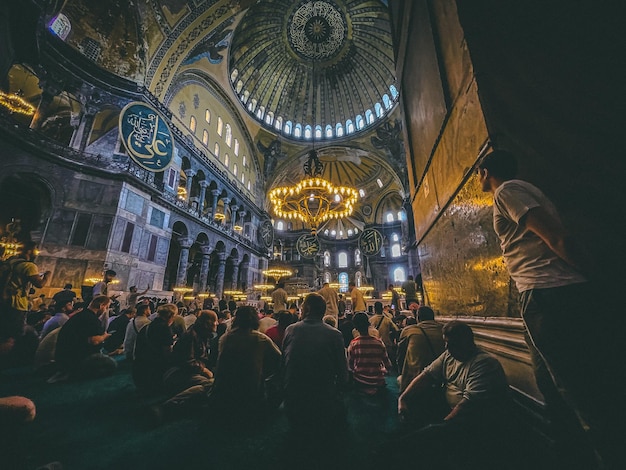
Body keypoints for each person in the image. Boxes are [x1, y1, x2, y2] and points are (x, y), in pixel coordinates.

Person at [478, 149, 620, 468]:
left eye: (479, 173)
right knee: (556, 386)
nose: (478, 179)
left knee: (577, 390)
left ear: (486, 172)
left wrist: (597, 278)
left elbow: (558, 238)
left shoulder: (507, 191)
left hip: (548, 295)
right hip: (555, 294)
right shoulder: (528, 190)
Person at [396, 321, 511, 468]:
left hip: (475, 423)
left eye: (451, 343)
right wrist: (403, 398)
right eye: (446, 343)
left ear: (466, 343)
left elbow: (466, 406)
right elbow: (426, 375)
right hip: (451, 412)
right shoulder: (450, 355)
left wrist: (439, 427)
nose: (446, 347)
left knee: (418, 442)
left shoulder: (484, 363)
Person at [281, 293, 348, 435]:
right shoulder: (335, 334)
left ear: (308, 309)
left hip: (294, 400)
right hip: (323, 401)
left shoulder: (290, 330)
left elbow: (283, 364)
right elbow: (343, 374)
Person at [211, 306, 281, 427]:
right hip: (252, 392)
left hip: (226, 391)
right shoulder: (260, 338)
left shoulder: (226, 338)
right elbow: (279, 359)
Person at [51, 295, 117, 382]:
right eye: (106, 307)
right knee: (111, 365)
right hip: (75, 360)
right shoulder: (91, 319)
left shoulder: (80, 316)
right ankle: (74, 374)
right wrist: (105, 336)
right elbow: (94, 341)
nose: (105, 310)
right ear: (101, 306)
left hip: (63, 359)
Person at [1, 241, 50, 343]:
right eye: (35, 250)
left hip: (5, 300)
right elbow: (39, 284)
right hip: (17, 304)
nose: (36, 252)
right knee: (14, 334)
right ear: (29, 251)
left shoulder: (12, 262)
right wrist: (46, 276)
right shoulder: (29, 266)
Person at [396, 305, 444, 393]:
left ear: (418, 318)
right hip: (441, 378)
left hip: (416, 379)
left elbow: (400, 357)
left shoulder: (409, 331)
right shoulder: (444, 329)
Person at [132, 303, 177, 391]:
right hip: (152, 375)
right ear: (171, 316)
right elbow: (167, 354)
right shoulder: (165, 329)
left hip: (139, 373)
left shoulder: (147, 326)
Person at [348, 312, 391, 395]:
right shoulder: (379, 343)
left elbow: (350, 366)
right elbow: (388, 366)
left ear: (356, 327)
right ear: (368, 324)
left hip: (360, 382)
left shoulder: (353, 344)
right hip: (378, 382)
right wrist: (383, 370)